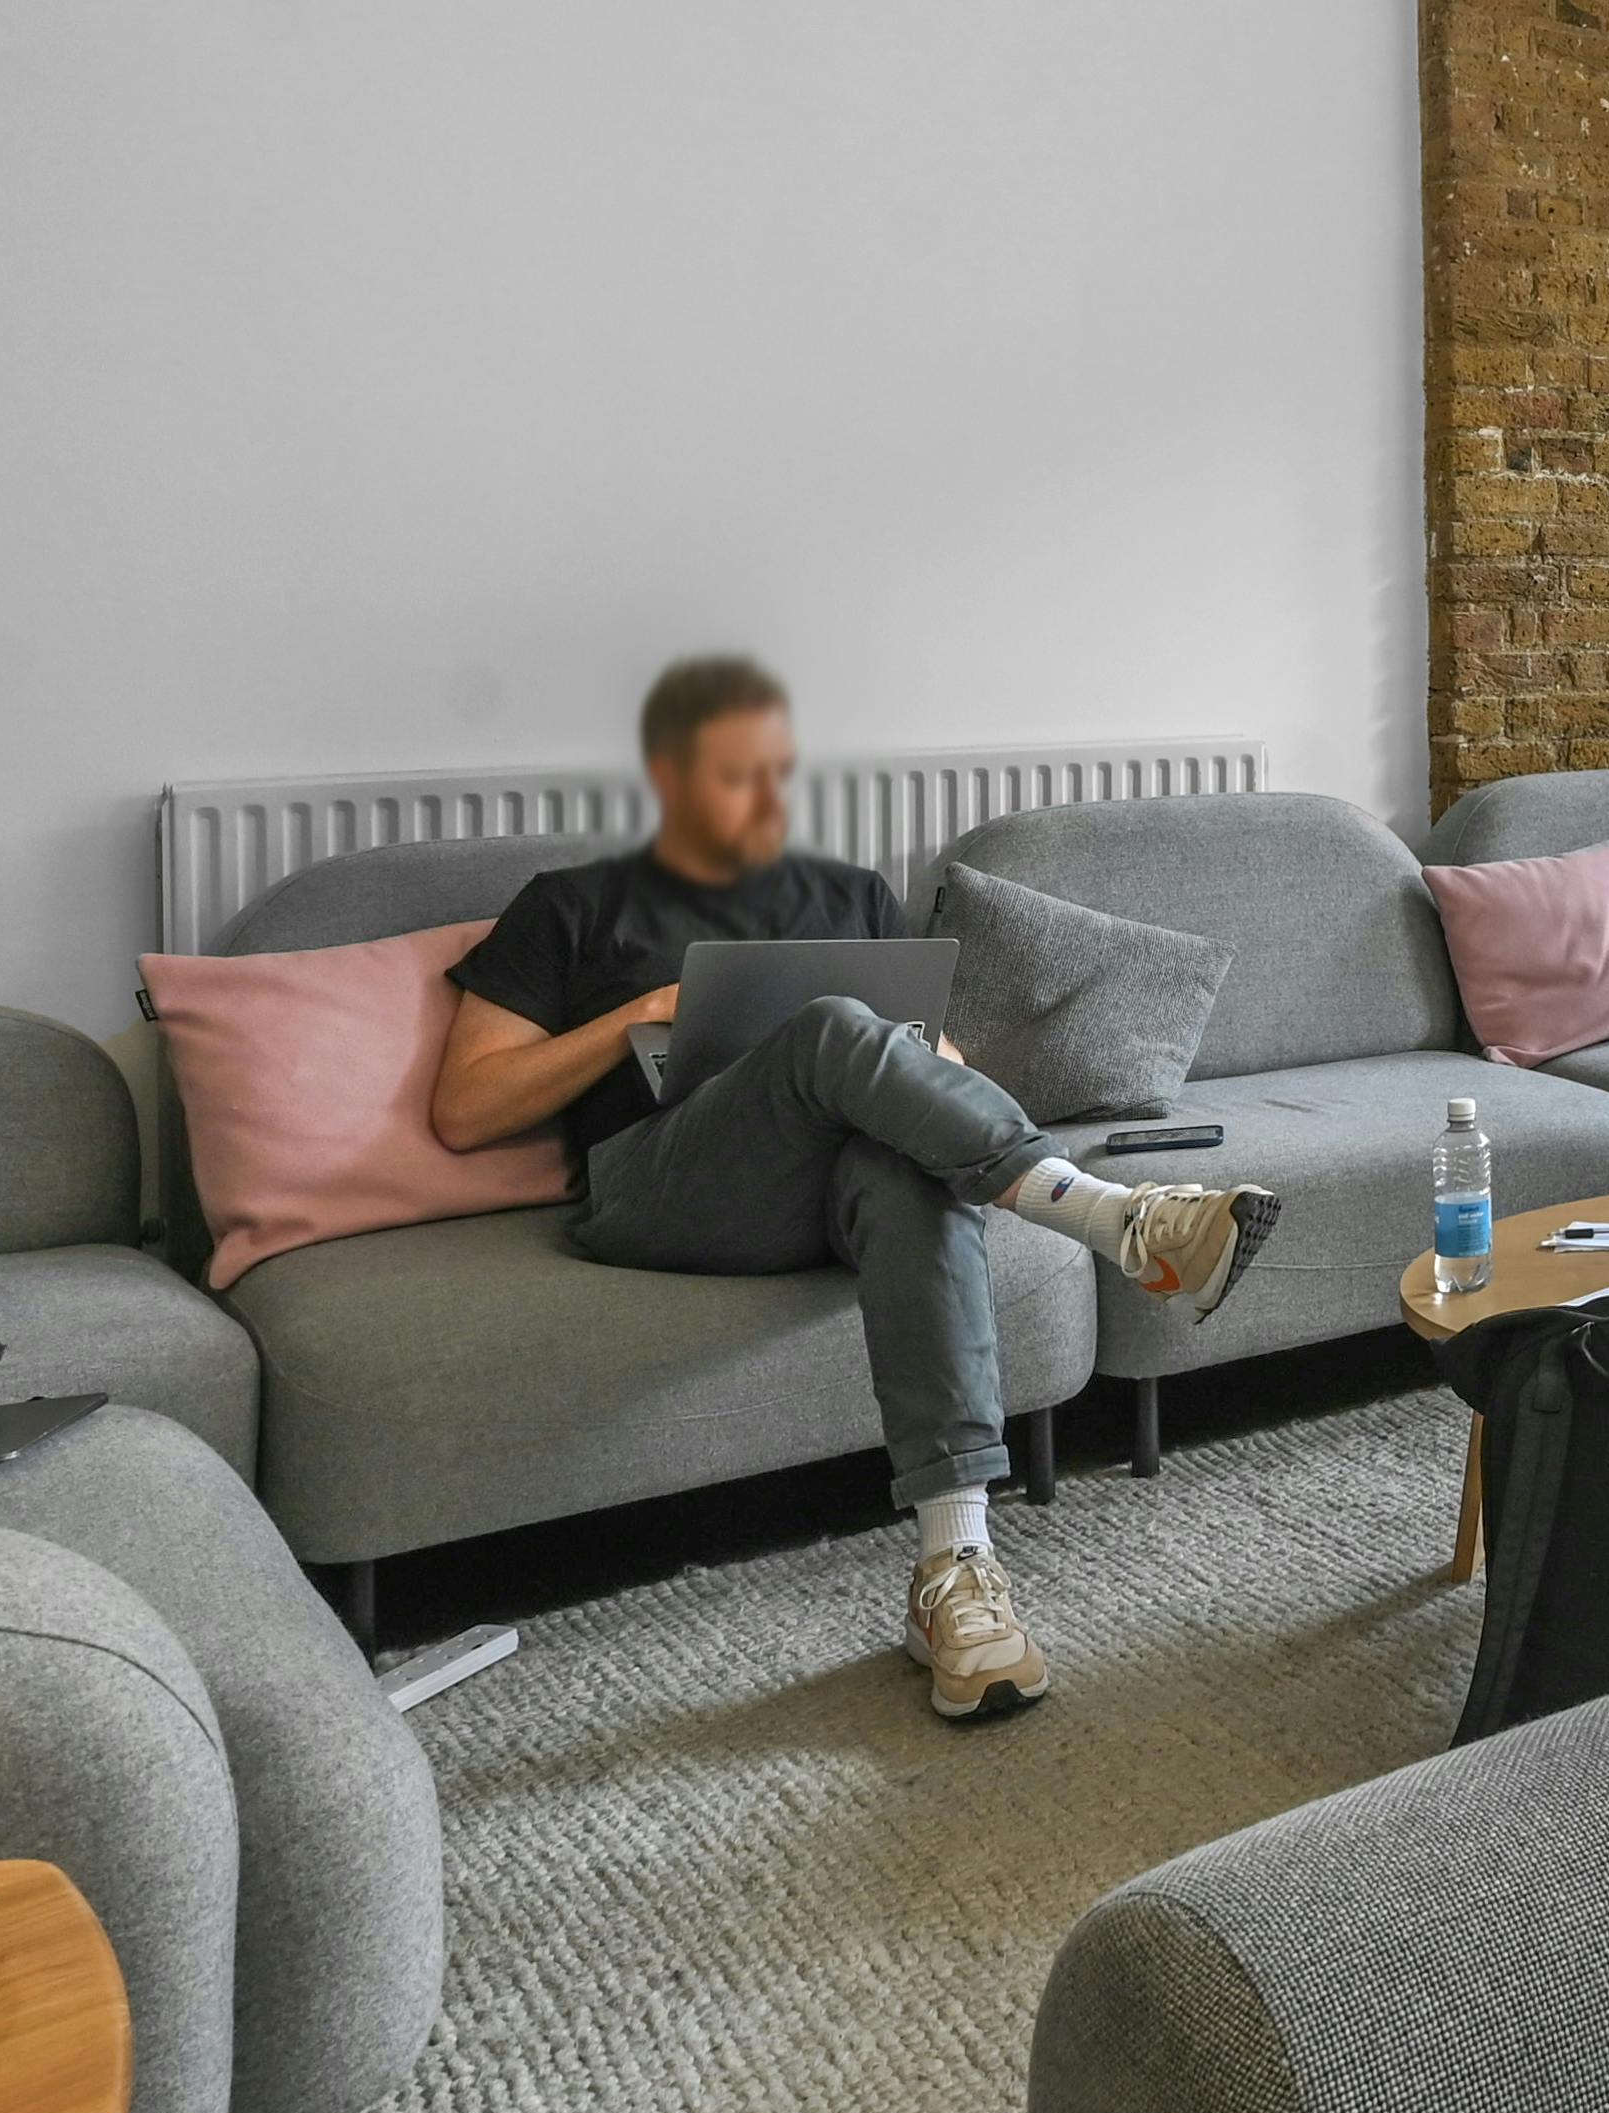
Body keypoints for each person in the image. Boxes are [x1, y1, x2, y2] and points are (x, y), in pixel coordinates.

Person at [429, 656, 1273, 1721]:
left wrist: (923, 1065)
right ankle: (1113, 1216)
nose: (761, 796)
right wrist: (638, 1012)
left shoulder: (850, 895)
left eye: (773, 771)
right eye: (731, 774)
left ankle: (955, 1573)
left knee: (902, 1161)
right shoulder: (572, 907)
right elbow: (465, 1108)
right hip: (660, 1191)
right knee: (830, 1026)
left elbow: (947, 1068)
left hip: (822, 1194)